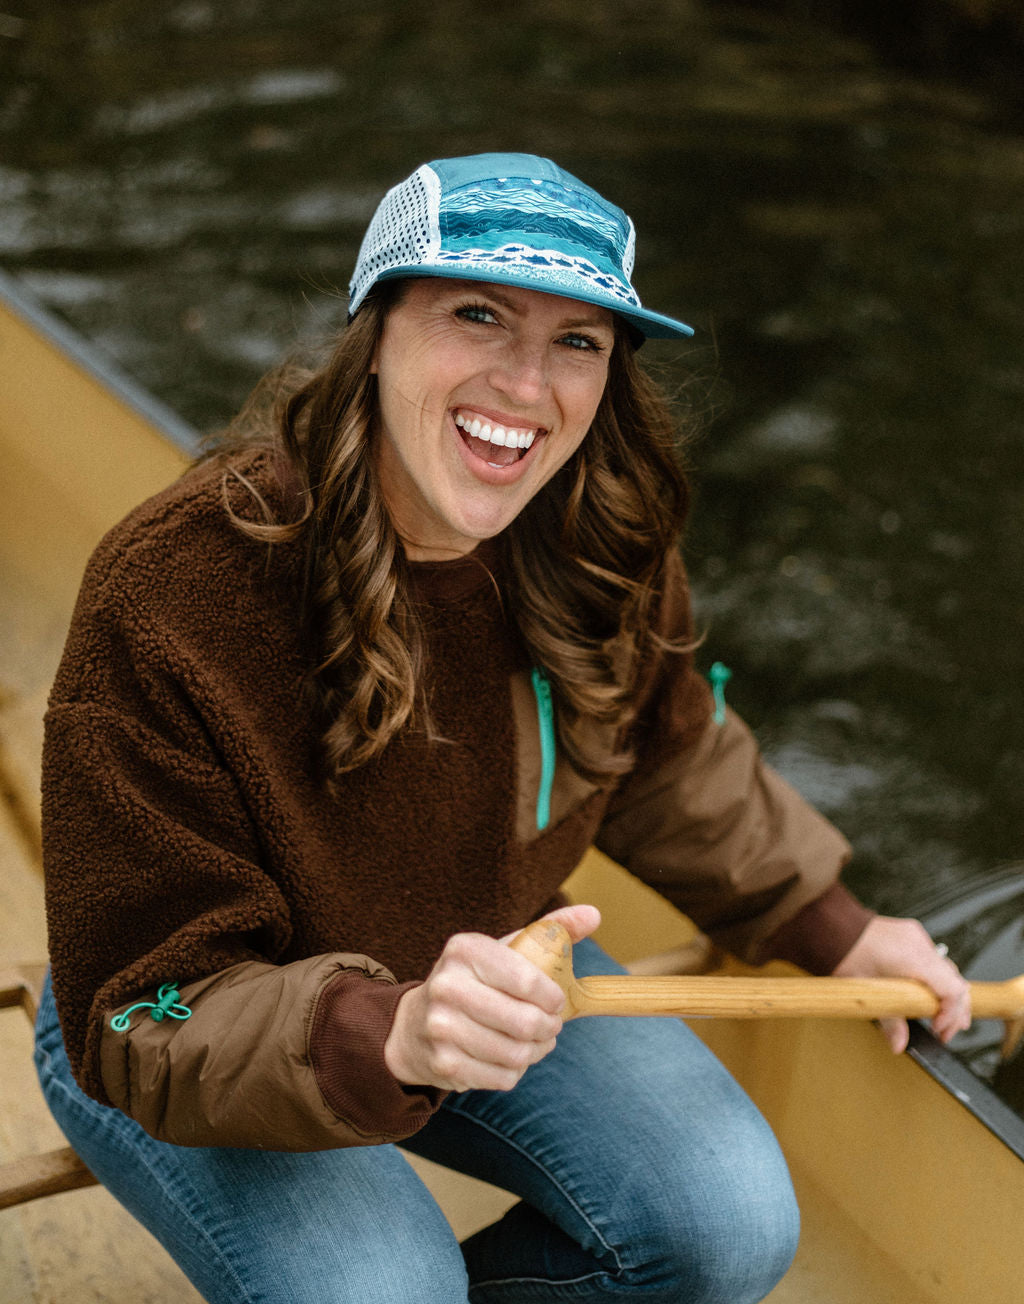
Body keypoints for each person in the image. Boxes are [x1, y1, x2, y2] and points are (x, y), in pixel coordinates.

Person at [35, 152, 970, 1304]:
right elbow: (143, 1003)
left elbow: (670, 756)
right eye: (477, 314)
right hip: (183, 1016)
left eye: (577, 340)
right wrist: (396, 1032)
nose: (526, 383)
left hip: (491, 960)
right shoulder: (172, 586)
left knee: (731, 1220)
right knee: (383, 1289)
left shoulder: (600, 533)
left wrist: (835, 925)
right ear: (374, 331)